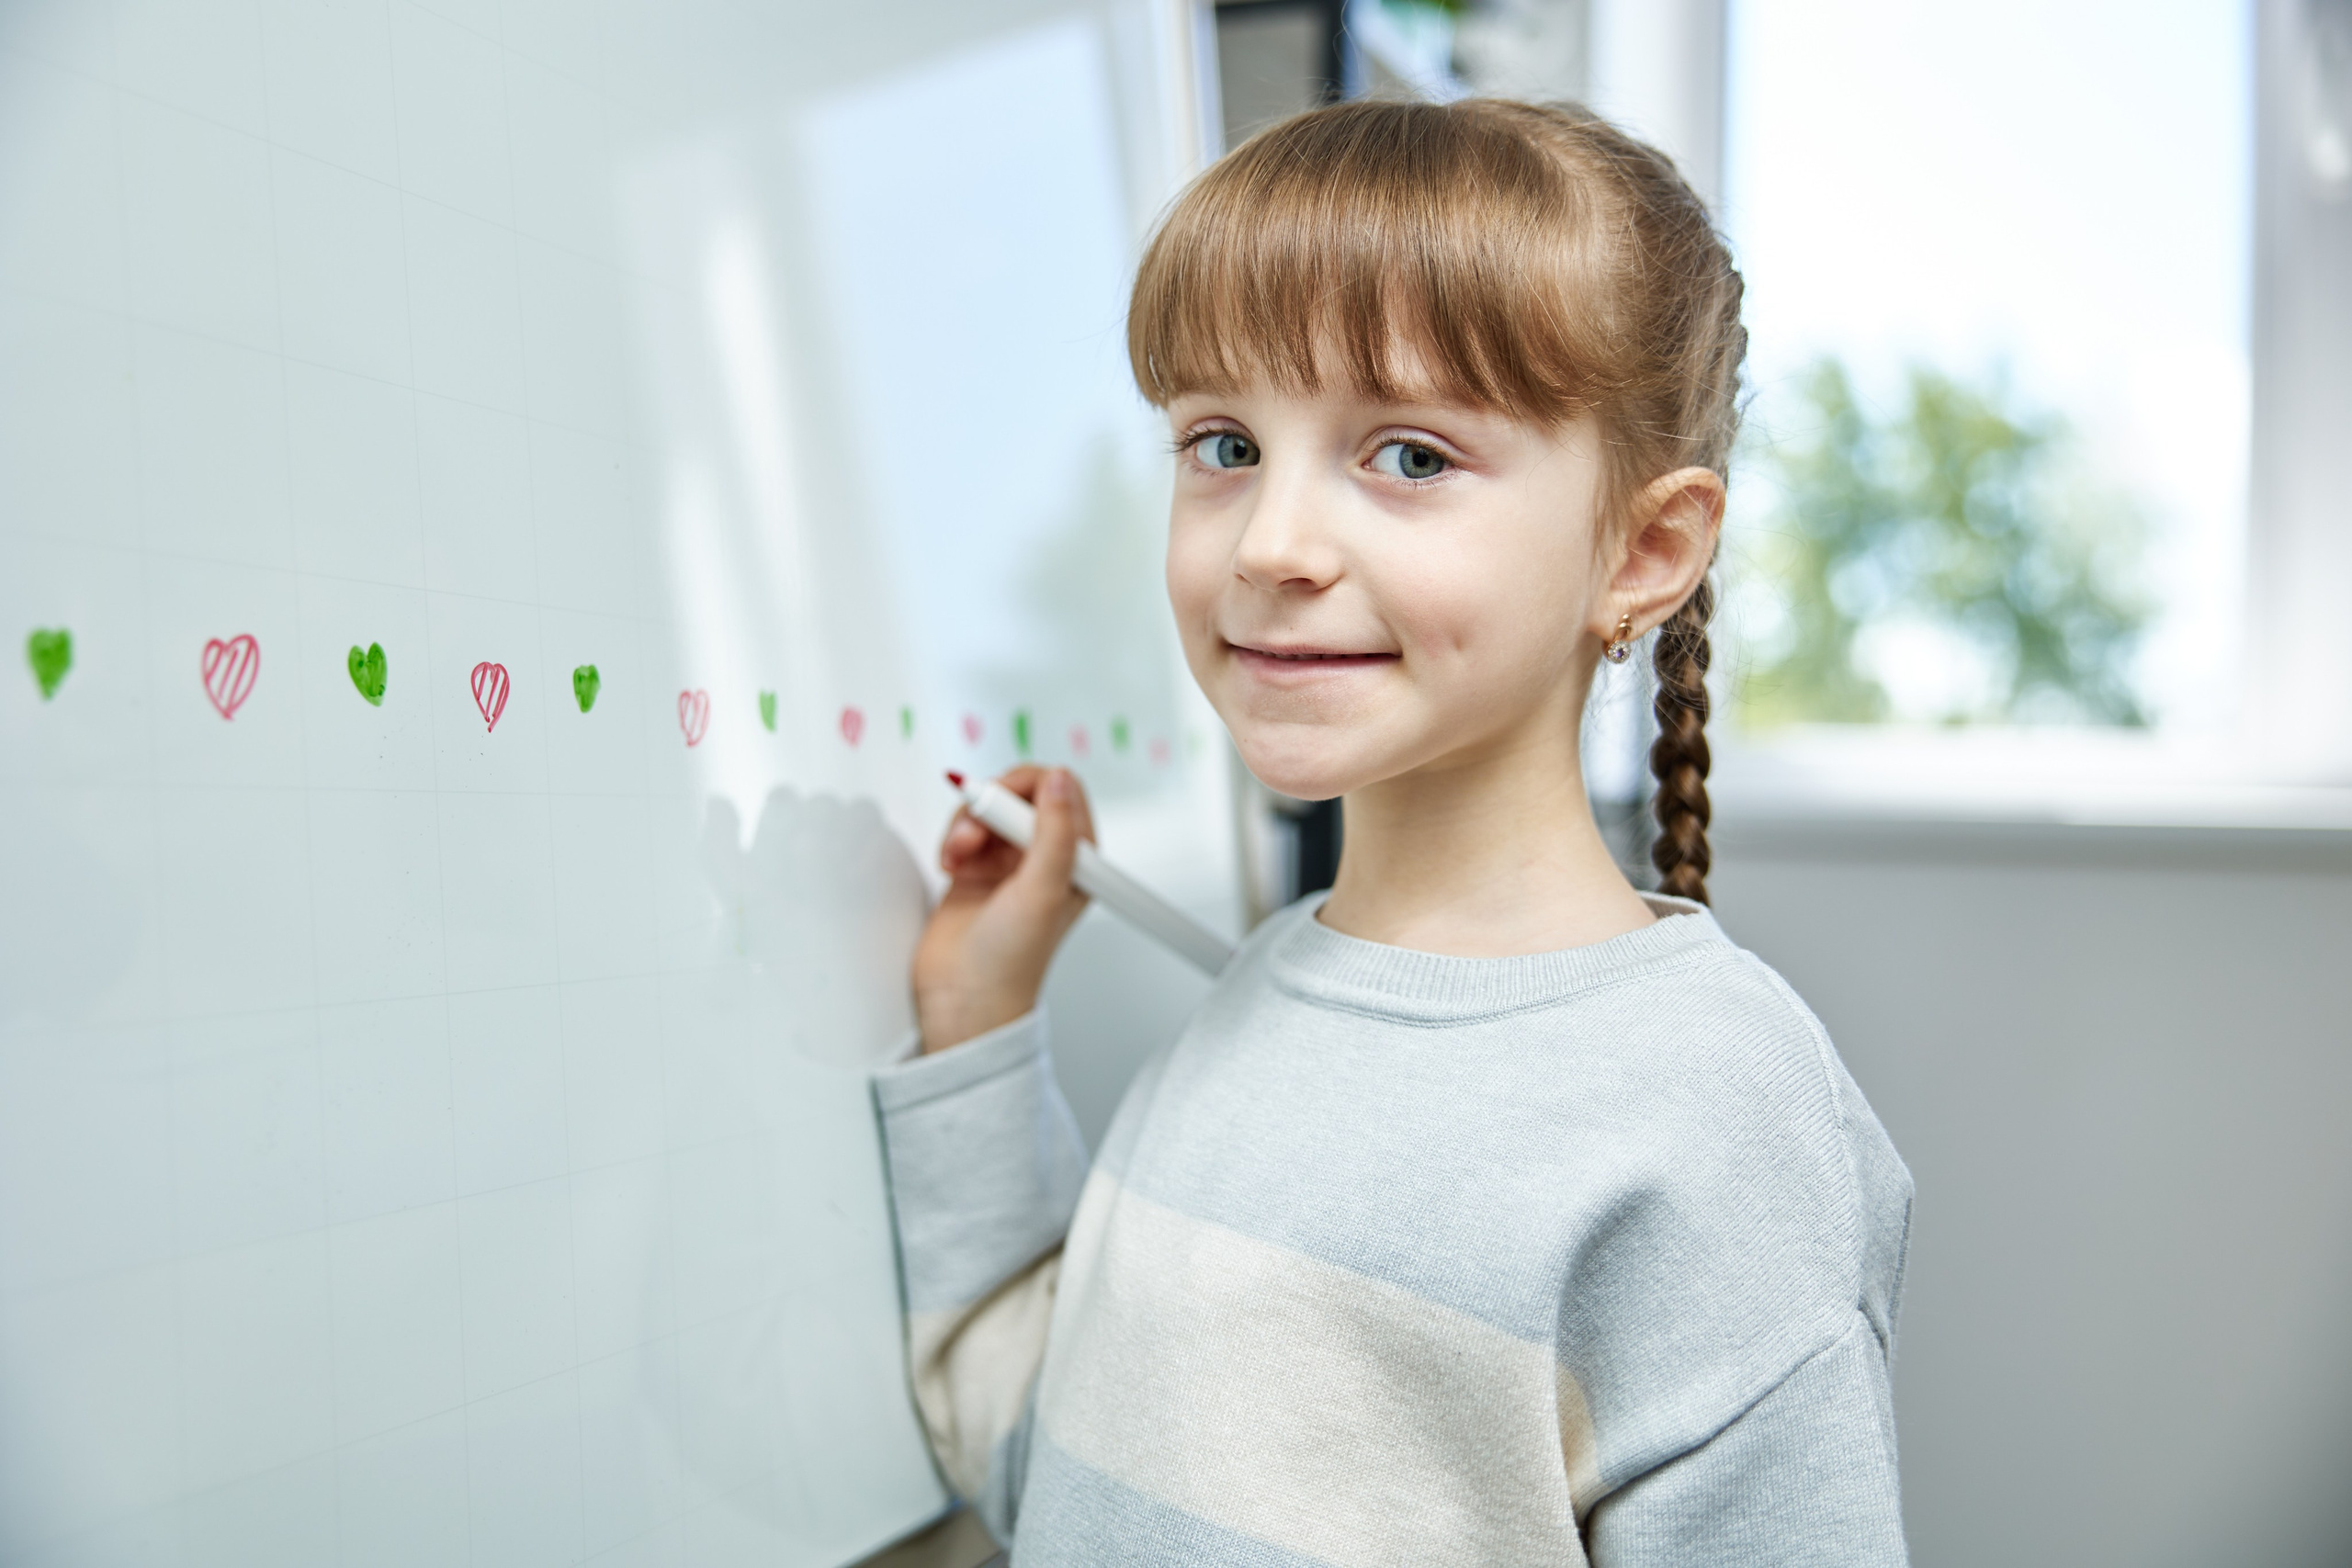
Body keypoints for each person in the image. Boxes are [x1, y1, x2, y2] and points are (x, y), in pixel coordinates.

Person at [874, 98, 1912, 1566]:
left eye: (1411, 457)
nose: (1272, 545)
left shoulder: (1717, 1120)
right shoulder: (1245, 1012)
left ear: (1644, 550)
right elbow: (1057, 1481)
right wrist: (978, 1030)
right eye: (1222, 442)